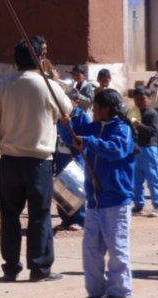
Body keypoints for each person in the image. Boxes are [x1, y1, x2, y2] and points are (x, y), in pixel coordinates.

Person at [0, 39, 72, 282]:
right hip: (39, 162)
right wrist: (53, 79)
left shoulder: (3, 86)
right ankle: (40, 267)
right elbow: (68, 109)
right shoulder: (49, 86)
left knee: (10, 216)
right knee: (39, 215)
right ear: (38, 58)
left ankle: (11, 267)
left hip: (9, 161)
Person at [58, 89, 135, 298]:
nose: (93, 111)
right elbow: (72, 137)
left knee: (118, 252)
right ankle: (95, 293)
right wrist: (65, 124)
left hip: (116, 202)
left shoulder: (123, 130)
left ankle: (120, 293)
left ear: (107, 109)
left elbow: (115, 149)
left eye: (96, 108)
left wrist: (89, 141)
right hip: (93, 203)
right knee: (91, 252)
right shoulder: (92, 127)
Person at [54, 89, 91, 231]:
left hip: (76, 155)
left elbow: (79, 139)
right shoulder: (59, 116)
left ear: (76, 102)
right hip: (61, 155)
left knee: (76, 187)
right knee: (61, 187)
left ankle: (79, 219)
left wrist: (66, 126)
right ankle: (65, 218)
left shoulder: (83, 116)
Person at [131, 86, 158, 217]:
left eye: (142, 98)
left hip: (149, 148)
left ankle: (157, 206)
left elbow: (153, 131)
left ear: (149, 99)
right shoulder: (134, 113)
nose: (139, 101)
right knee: (136, 180)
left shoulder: (153, 114)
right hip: (136, 149)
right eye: (136, 99)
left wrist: (138, 125)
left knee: (153, 179)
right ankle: (138, 205)